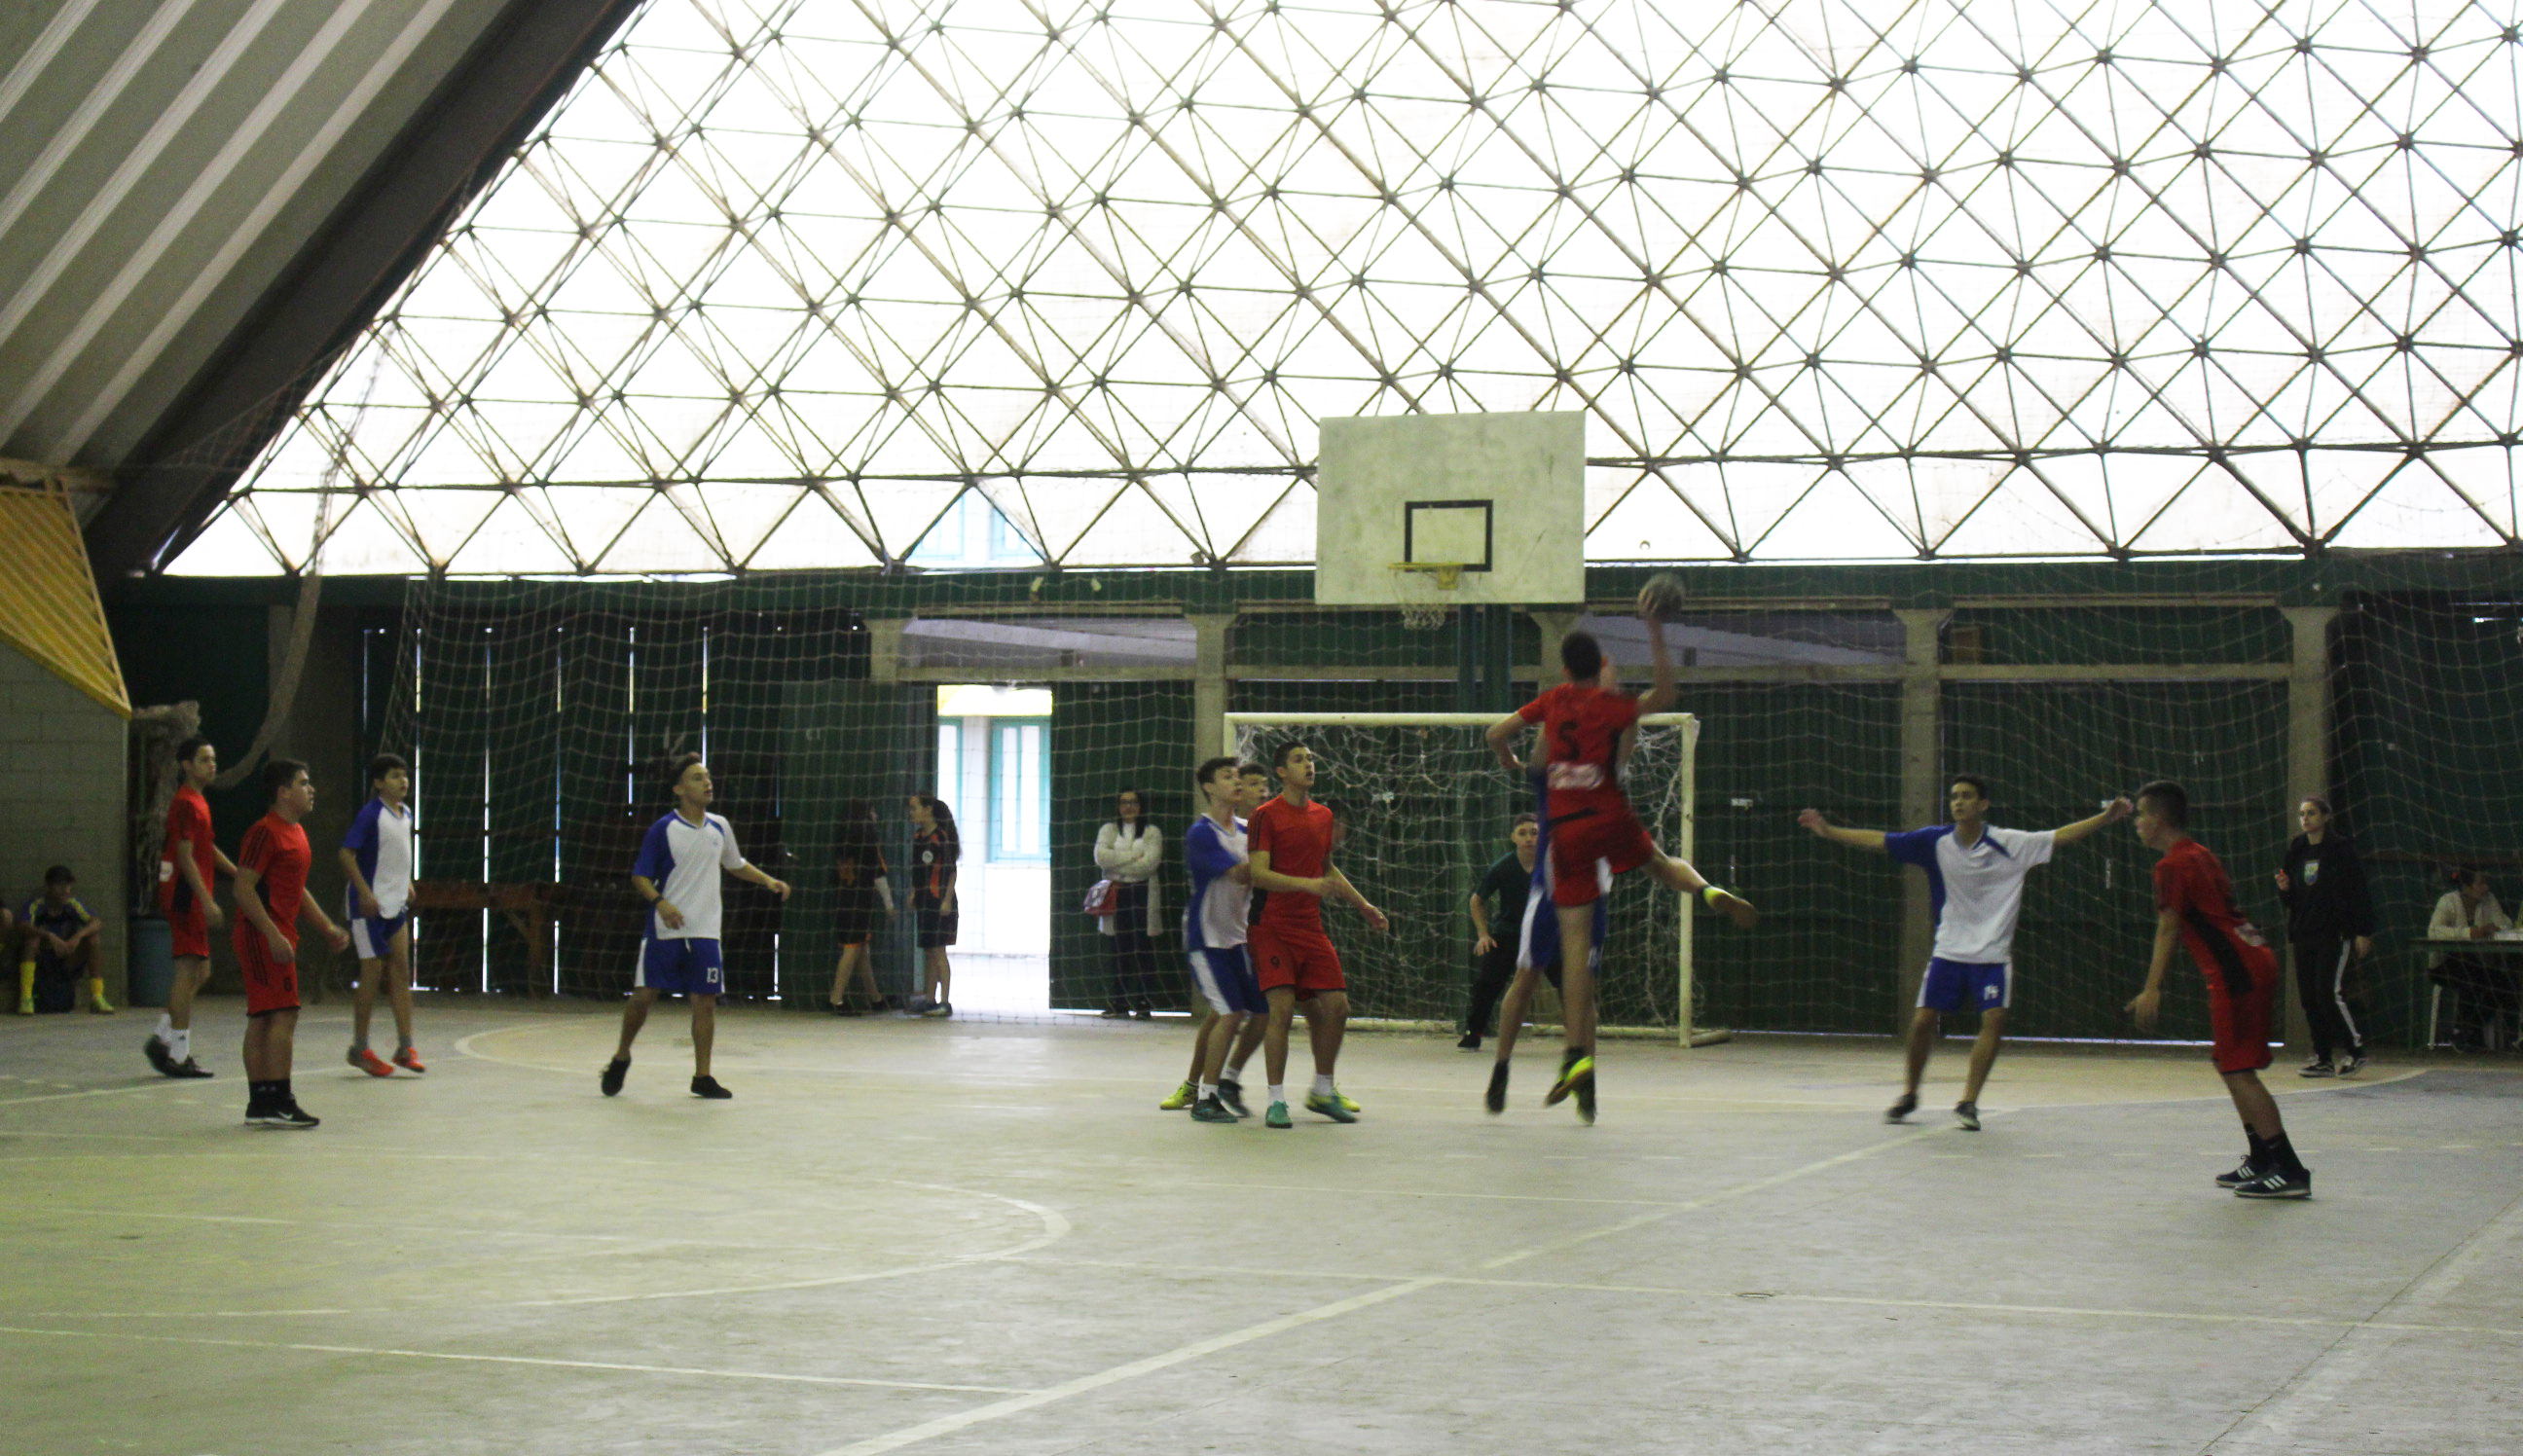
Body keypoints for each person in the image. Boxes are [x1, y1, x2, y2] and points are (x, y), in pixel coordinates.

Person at [1485, 608, 1755, 1122]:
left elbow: (1504, 736)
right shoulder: (1613, 712)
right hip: (1610, 814)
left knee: (1561, 955)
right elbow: (1658, 702)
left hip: (1566, 841)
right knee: (1655, 863)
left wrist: (1507, 755)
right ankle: (1706, 891)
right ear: (1600, 667)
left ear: (1564, 669)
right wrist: (1654, 630)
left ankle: (1568, 1057)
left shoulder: (1552, 713)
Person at [1800, 778, 2130, 1130]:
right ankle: (1910, 1094)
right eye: (1954, 796)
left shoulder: (2009, 843)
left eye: (1967, 796)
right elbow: (1880, 840)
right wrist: (1829, 830)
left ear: (1983, 804)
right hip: (1949, 951)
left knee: (1994, 1020)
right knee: (1924, 1021)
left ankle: (1968, 1102)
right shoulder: (1934, 842)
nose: (1958, 802)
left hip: (1992, 955)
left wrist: (2106, 817)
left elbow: (2060, 836)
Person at [2126, 780, 2311, 1199]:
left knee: (2239, 1069)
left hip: (2236, 971)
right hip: (2250, 960)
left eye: (2140, 814)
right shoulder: (2199, 853)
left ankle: (2289, 1168)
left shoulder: (2171, 866)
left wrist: (2152, 988)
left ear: (2158, 819)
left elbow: (2169, 927)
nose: (2136, 823)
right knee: (2228, 1063)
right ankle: (2262, 1156)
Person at [602, 755, 791, 1099]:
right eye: (696, 778)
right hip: (666, 929)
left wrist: (768, 881)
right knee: (644, 996)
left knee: (705, 1001)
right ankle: (621, 1055)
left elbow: (736, 864)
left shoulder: (719, 826)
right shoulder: (663, 829)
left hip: (706, 931)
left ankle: (702, 1075)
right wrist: (661, 903)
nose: (706, 782)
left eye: (707, 776)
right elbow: (640, 876)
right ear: (678, 789)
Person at [1247, 742, 1388, 1128]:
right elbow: (1258, 874)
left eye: (1311, 759)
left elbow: (1327, 869)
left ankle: (1322, 1090)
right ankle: (1277, 1100)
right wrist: (1305, 885)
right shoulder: (1265, 816)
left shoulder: (1323, 816)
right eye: (1298, 759)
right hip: (1272, 926)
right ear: (1280, 772)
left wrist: (1364, 905)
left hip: (1309, 926)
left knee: (1337, 1008)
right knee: (1281, 1011)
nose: (1308, 764)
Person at [233, 759, 351, 1129]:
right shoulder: (264, 832)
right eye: (303, 782)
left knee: (270, 1016)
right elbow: (243, 888)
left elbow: (295, 890)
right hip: (261, 936)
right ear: (283, 792)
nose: (311, 788)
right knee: (279, 1015)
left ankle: (264, 1102)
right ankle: (278, 1099)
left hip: (280, 934)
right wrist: (271, 933)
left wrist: (326, 928)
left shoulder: (296, 833)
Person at [1165, 762, 1274, 1112]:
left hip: (1238, 939)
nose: (1237, 782)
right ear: (1209, 788)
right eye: (1228, 777)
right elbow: (1244, 874)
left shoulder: (1246, 830)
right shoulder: (1202, 832)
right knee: (1229, 1014)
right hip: (1208, 938)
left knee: (1261, 1011)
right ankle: (1204, 1096)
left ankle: (1227, 1080)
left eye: (1238, 776)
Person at [146, 735, 232, 1076]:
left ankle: (161, 1037)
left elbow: (205, 848)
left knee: (201, 971)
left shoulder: (199, 801)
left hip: (195, 895)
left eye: (213, 759)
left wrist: (239, 873)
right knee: (187, 971)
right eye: (204, 759)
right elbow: (184, 855)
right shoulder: (184, 802)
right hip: (185, 896)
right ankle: (179, 1055)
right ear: (186, 765)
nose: (212, 765)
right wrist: (207, 900)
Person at [2276, 796, 2377, 1076]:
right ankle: (2322, 1057)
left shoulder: (2340, 850)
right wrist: (2284, 889)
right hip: (2304, 930)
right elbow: (2292, 898)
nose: (2305, 818)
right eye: (2302, 813)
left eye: (2311, 813)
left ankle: (2355, 1051)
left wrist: (2362, 931)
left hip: (2333, 932)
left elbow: (2358, 891)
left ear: (2326, 817)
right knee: (2309, 998)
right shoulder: (2297, 849)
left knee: (2327, 994)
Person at [339, 753, 422, 1076]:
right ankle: (359, 1047)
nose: (402, 781)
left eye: (404, 775)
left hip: (395, 904)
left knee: (401, 971)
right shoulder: (370, 814)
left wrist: (407, 882)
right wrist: (365, 892)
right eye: (393, 776)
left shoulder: (406, 814)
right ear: (377, 783)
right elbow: (346, 854)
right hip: (368, 908)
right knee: (372, 973)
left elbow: (396, 854)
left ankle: (405, 1046)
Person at [1461, 814, 1543, 1051]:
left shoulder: (1552, 865)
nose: (1529, 838)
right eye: (1523, 833)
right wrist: (1484, 935)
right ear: (1513, 838)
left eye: (1534, 832)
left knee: (1568, 982)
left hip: (1543, 935)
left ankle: (1577, 1035)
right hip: (1508, 934)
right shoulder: (1503, 867)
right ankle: (1473, 1032)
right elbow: (1477, 900)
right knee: (1487, 983)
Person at [2427, 869, 2518, 1051]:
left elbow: (2503, 923)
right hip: (2445, 965)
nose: (2485, 888)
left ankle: (2467, 1031)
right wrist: (2470, 932)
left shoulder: (2488, 900)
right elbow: (2434, 931)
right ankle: (2465, 1032)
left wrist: (2495, 927)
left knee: (2503, 984)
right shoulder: (2448, 901)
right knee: (2468, 972)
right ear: (2466, 887)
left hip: (2478, 965)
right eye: (2480, 884)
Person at [1095, 789, 1164, 1018]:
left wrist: (1117, 863)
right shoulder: (1108, 830)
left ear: (1141, 805)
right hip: (1117, 894)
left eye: (1133, 802)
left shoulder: (1152, 832)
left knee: (1143, 950)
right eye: (1124, 802)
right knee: (1118, 950)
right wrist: (1134, 857)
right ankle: (1118, 1003)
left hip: (1143, 893)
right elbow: (1101, 858)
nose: (1128, 807)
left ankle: (1144, 1005)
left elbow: (1149, 865)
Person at [827, 801, 894, 1015]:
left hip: (841, 899)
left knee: (861, 950)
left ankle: (876, 999)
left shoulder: (842, 841)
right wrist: (889, 904)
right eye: (873, 811)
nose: (876, 815)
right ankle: (836, 1000)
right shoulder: (868, 839)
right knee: (852, 948)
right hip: (859, 901)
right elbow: (878, 874)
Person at [18, 865, 109, 1015]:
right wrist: (48, 936)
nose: (66, 890)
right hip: (43, 960)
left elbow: (97, 922)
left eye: (68, 885)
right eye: (60, 885)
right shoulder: (36, 905)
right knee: (31, 940)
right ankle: (26, 998)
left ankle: (97, 996)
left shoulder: (72, 904)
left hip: (66, 958)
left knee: (93, 938)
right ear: (48, 886)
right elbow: (22, 925)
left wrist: (78, 936)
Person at [908, 793, 959, 1018]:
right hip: (924, 900)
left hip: (940, 901)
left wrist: (947, 900)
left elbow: (951, 872)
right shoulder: (919, 836)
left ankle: (945, 1002)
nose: (912, 813)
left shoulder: (941, 837)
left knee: (939, 951)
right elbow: (918, 870)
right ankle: (930, 999)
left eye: (915, 808)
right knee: (929, 951)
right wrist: (913, 892)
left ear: (928, 809)